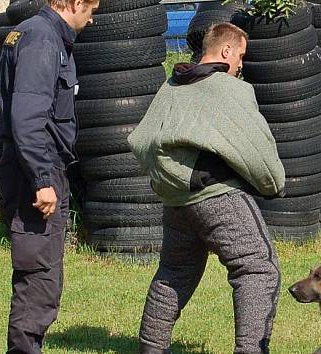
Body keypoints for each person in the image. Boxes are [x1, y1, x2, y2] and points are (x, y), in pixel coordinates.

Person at [127, 23, 286, 354]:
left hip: (176, 200)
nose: (242, 64)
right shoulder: (229, 90)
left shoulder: (172, 84)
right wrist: (272, 186)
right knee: (258, 268)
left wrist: (171, 179)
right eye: (241, 55)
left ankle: (151, 348)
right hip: (217, 196)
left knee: (174, 273)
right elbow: (257, 149)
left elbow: (143, 138)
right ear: (227, 51)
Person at [0, 0, 99, 352]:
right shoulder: (42, 40)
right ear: (73, 3)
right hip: (36, 170)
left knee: (41, 276)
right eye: (90, 8)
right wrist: (42, 180)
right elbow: (27, 119)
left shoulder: (35, 34)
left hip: (33, 164)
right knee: (38, 279)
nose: (92, 17)